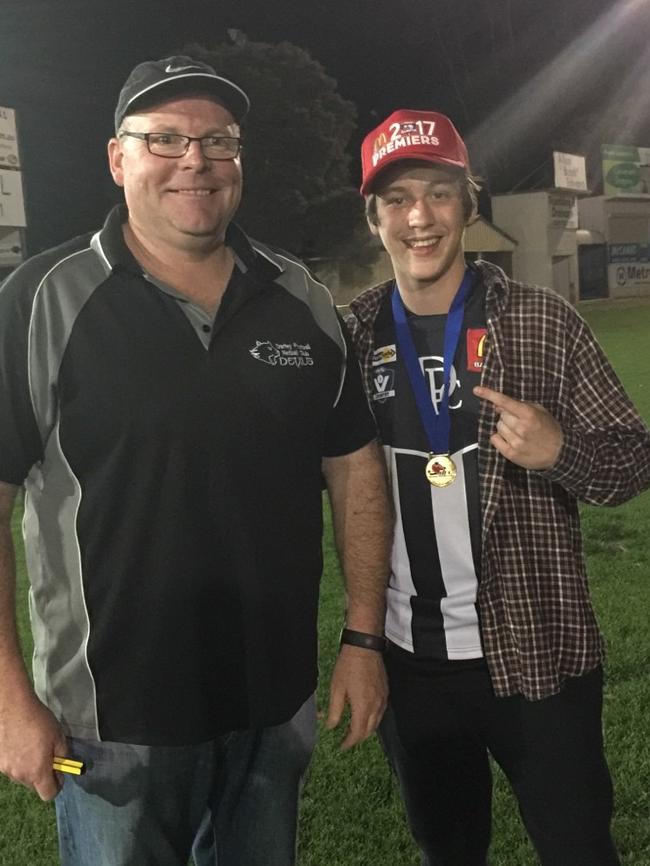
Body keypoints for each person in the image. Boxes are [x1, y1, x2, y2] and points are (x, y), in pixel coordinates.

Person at [0, 56, 391, 866]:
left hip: (271, 703)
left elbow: (354, 464)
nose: (195, 161)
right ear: (118, 159)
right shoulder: (43, 299)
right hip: (110, 723)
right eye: (164, 139)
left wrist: (362, 639)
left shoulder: (300, 297)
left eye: (218, 141)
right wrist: (7, 696)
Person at [345, 108, 650, 865]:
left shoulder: (544, 320)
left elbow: (633, 460)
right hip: (408, 662)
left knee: (579, 847)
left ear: (469, 205)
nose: (420, 217)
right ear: (374, 218)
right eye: (397, 199)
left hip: (538, 650)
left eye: (440, 193)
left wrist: (561, 452)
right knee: (449, 853)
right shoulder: (347, 339)